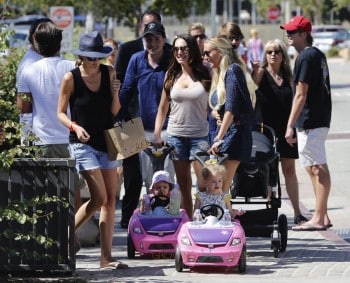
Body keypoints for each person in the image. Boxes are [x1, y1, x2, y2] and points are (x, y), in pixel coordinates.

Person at [57, 31, 127, 269]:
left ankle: (105, 259)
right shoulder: (71, 78)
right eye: (91, 56)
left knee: (110, 202)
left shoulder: (109, 73)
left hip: (109, 140)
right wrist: (74, 126)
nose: (96, 60)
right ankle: (64, 238)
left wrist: (116, 92)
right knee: (99, 198)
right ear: (82, 57)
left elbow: (115, 112)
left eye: (99, 56)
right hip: (82, 143)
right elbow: (60, 113)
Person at [116, 21, 174, 227]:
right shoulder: (134, 58)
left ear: (163, 39)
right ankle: (129, 220)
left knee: (163, 179)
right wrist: (115, 117)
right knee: (133, 176)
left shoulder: (172, 59)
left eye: (156, 38)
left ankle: (169, 218)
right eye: (148, 39)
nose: (152, 43)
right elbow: (126, 90)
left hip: (166, 127)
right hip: (135, 124)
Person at [281, 16, 332, 231]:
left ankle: (319, 218)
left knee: (318, 168)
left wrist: (289, 124)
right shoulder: (316, 54)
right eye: (288, 31)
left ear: (304, 34)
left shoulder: (305, 58)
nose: (288, 35)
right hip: (316, 118)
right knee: (312, 167)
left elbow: (300, 94)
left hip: (311, 119)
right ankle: (323, 215)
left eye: (293, 32)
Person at [152, 34, 212, 217]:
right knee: (183, 182)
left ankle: (200, 217)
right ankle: (187, 221)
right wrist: (157, 134)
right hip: (176, 135)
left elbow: (215, 103)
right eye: (176, 49)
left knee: (203, 182)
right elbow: (163, 107)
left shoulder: (205, 73)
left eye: (183, 48)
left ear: (192, 50)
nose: (179, 52)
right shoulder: (171, 75)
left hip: (200, 135)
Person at [250, 38, 308, 225]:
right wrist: (255, 71)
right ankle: (267, 214)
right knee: (267, 170)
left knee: (289, 170)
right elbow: (253, 87)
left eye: (277, 51)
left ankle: (298, 213)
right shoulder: (260, 73)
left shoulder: (289, 76)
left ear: (283, 55)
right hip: (265, 130)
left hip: (286, 129)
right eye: (269, 51)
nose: (273, 54)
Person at [205, 36, 254, 194]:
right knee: (219, 186)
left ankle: (224, 217)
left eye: (207, 53)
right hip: (227, 133)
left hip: (235, 136)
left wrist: (219, 138)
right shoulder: (220, 73)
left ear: (219, 52)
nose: (204, 57)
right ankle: (228, 214)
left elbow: (231, 109)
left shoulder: (232, 70)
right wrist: (215, 112)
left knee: (221, 186)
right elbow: (222, 105)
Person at [16, 17, 52, 146]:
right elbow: (24, 107)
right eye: (48, 36)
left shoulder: (44, 58)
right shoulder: (30, 63)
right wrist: (27, 140)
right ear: (35, 37)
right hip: (38, 137)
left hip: (50, 134)